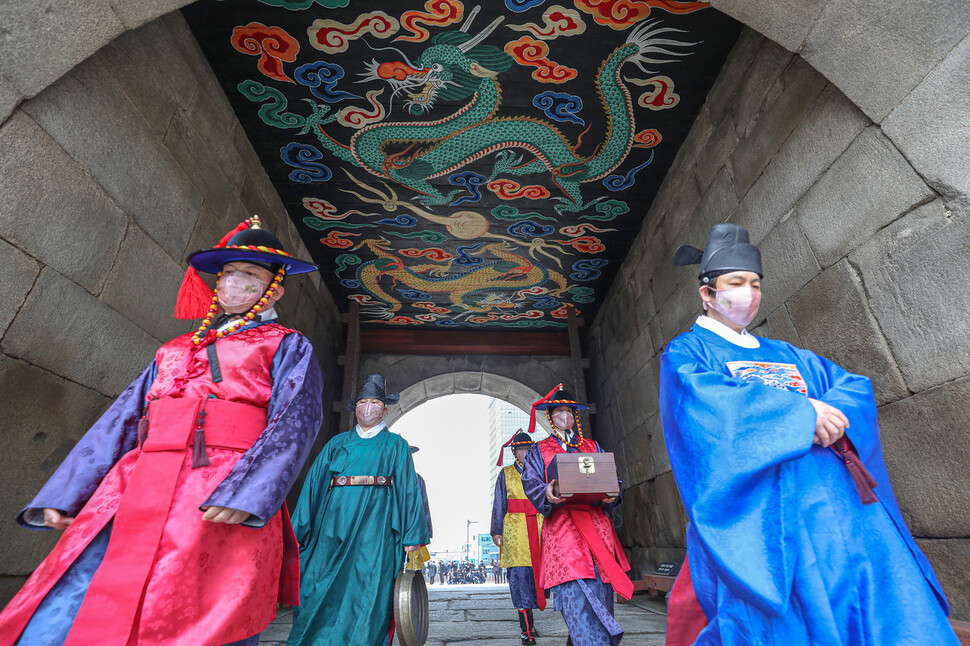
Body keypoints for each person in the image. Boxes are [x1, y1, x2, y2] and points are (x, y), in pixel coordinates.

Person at [0, 216, 324, 646]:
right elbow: (119, 421)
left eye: (249, 276)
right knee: (79, 593)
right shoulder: (171, 350)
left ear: (274, 290)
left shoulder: (287, 344)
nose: (233, 284)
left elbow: (296, 422)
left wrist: (249, 494)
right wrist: (69, 494)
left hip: (220, 486)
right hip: (136, 482)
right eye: (227, 274)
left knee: (195, 608)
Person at [661, 223, 959, 646]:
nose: (749, 293)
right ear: (707, 294)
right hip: (770, 514)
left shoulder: (787, 354)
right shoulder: (688, 353)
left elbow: (851, 385)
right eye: (736, 283)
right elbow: (702, 407)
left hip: (846, 509)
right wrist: (800, 414)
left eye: (756, 284)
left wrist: (829, 413)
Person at [287, 373, 429, 646]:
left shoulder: (395, 446)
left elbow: (408, 490)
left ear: (384, 409)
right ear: (355, 408)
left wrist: (412, 537)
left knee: (370, 589)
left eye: (374, 402)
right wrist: (298, 531)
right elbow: (313, 488)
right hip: (333, 526)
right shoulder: (336, 444)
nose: (367, 408)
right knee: (319, 585)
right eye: (362, 402)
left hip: (377, 529)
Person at [522, 387, 632, 646]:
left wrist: (612, 494)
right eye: (559, 411)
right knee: (576, 595)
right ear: (550, 416)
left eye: (569, 411)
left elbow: (611, 477)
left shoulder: (592, 446)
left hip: (597, 528)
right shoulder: (540, 450)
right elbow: (532, 483)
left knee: (601, 593)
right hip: (564, 532)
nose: (565, 416)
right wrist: (547, 492)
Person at [492, 430, 545, 645]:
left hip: (541, 529)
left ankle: (532, 623)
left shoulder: (543, 472)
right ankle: (526, 630)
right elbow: (499, 503)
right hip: (515, 532)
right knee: (520, 580)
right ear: (514, 452)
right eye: (521, 449)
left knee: (540, 579)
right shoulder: (505, 473)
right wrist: (497, 530)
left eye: (528, 449)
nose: (524, 452)